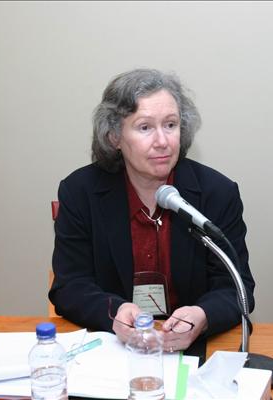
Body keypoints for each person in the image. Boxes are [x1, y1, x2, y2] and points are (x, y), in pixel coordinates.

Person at [50, 68, 255, 352]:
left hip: (191, 350)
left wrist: (202, 315)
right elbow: (70, 287)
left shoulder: (217, 193)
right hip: (113, 349)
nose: (162, 141)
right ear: (114, 137)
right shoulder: (81, 192)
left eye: (170, 125)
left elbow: (236, 287)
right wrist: (115, 312)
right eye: (145, 127)